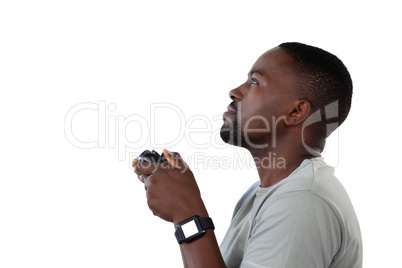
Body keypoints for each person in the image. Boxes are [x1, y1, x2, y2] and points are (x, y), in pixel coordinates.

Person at [133, 42, 363, 268]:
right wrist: (181, 204)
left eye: (255, 81)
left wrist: (186, 211)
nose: (234, 92)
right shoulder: (264, 194)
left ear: (296, 111)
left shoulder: (301, 201)